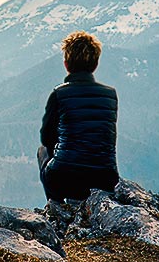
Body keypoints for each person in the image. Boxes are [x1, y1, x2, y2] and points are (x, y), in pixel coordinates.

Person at [38, 31, 119, 203]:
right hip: (105, 178)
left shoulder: (59, 94)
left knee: (42, 151)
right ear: (96, 64)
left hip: (66, 178)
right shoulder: (110, 95)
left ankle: (57, 208)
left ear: (66, 64)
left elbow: (46, 137)